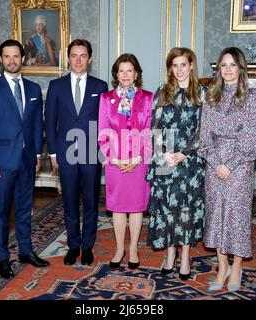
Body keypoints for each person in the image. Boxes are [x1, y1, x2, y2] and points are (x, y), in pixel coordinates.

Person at [0, 39, 49, 279]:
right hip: (1, 164)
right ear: (1, 59)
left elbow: (38, 124)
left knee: (24, 210)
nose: (11, 60)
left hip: (28, 161)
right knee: (1, 213)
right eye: (7, 56)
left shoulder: (33, 89)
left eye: (16, 56)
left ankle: (26, 252)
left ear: (23, 58)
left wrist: (38, 154)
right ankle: (3, 258)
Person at [197, 47, 256, 292]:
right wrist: (216, 163)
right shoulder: (210, 97)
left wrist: (232, 164)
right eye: (223, 65)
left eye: (232, 65)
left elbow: (253, 139)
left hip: (240, 167)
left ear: (240, 68)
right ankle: (222, 266)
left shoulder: (254, 98)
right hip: (214, 166)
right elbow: (204, 138)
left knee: (236, 216)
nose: (227, 69)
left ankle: (237, 266)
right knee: (215, 214)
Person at [45, 39, 108, 266]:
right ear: (68, 58)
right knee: (70, 201)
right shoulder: (56, 86)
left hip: (92, 153)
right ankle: (73, 246)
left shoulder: (100, 87)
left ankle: (87, 246)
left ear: (90, 60)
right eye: (74, 55)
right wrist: (53, 153)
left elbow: (105, 122)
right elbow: (50, 122)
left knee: (91, 201)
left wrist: (103, 151)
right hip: (66, 152)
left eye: (83, 56)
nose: (78, 60)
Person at [147, 47, 206, 280]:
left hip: (190, 161)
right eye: (175, 65)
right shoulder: (162, 92)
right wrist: (165, 153)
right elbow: (155, 126)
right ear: (170, 68)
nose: (179, 70)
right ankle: (170, 255)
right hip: (164, 159)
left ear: (191, 65)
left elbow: (204, 130)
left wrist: (182, 153)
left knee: (185, 211)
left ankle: (185, 257)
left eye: (183, 64)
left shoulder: (202, 94)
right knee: (166, 210)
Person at [98, 53, 153, 270]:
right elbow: (103, 131)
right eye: (121, 70)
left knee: (136, 208)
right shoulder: (105, 98)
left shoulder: (148, 98)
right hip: (115, 162)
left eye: (129, 70)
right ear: (116, 74)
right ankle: (120, 248)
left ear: (137, 73)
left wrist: (140, 157)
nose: (125, 74)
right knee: (119, 207)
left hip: (139, 161)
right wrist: (113, 158)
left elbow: (150, 130)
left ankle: (133, 249)